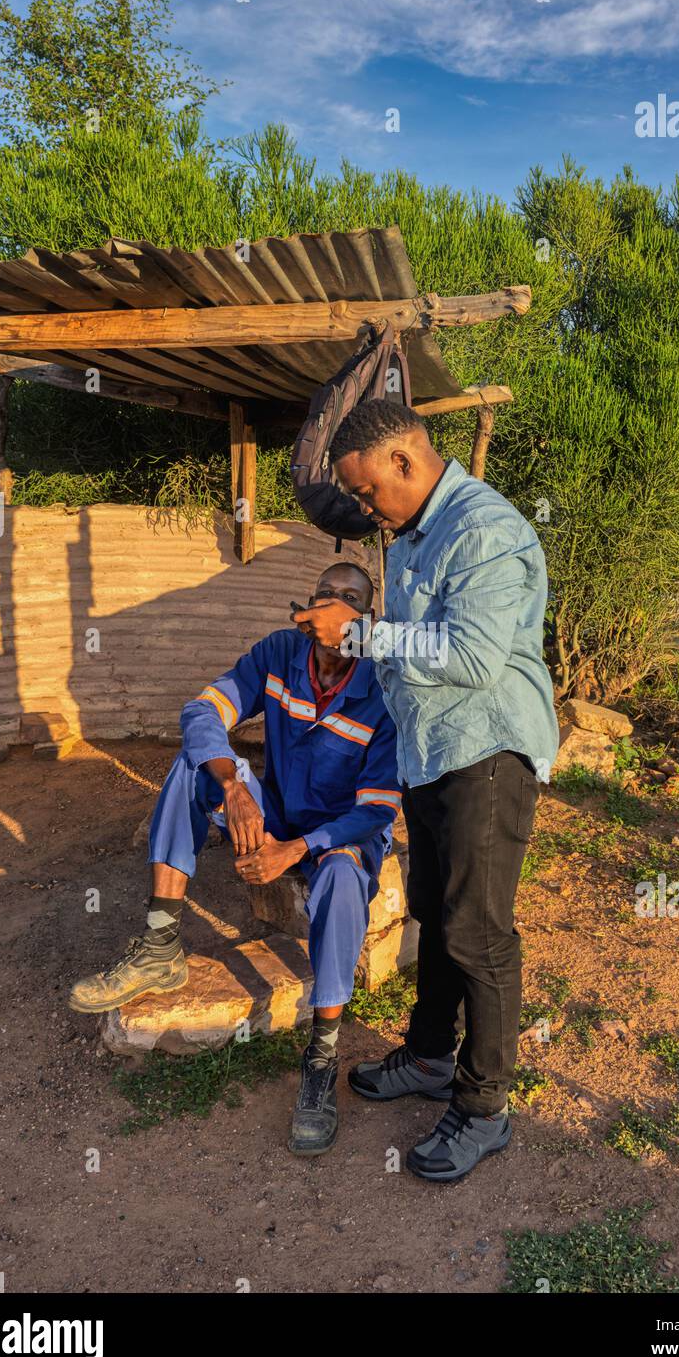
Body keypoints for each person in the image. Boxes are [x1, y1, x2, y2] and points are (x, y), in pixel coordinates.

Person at [293, 399, 559, 1183]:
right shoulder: (411, 532)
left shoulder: (483, 529)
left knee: (478, 932)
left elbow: (473, 658)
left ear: (406, 460)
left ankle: (485, 1109)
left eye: (371, 490)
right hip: (434, 752)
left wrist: (362, 635)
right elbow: (416, 654)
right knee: (436, 916)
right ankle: (433, 1057)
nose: (367, 507)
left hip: (487, 751)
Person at [69, 562, 401, 1157]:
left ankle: (322, 1054)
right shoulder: (278, 654)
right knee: (193, 766)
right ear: (307, 611)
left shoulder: (384, 688)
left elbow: (376, 809)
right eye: (327, 594)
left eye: (352, 600)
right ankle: (160, 942)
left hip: (338, 833)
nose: (336, 606)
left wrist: (295, 851)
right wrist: (234, 786)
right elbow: (202, 712)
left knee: (345, 875)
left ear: (366, 621)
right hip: (274, 808)